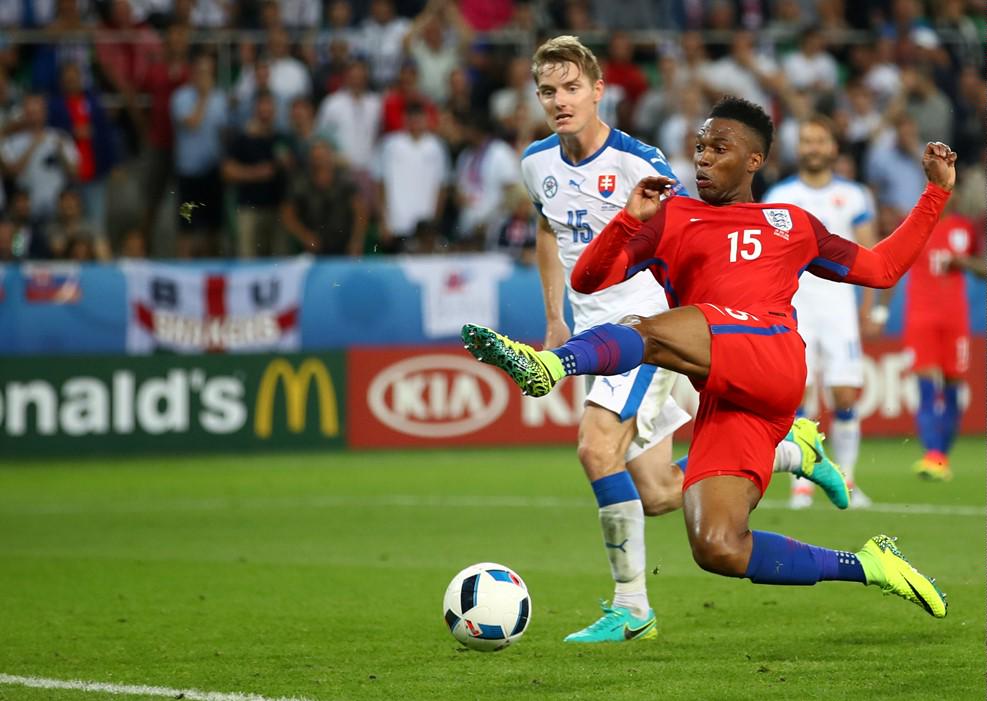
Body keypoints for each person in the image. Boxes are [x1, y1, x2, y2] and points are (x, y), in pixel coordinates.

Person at [463, 95, 954, 620]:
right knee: (717, 545)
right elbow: (587, 281)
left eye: (719, 148)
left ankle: (552, 365)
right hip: (729, 394)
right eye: (699, 147)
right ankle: (871, 564)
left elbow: (881, 269)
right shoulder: (670, 216)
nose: (702, 158)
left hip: (772, 353)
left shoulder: (791, 222)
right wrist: (627, 221)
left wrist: (936, 193)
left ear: (754, 161)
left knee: (646, 330)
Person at [513, 37, 847, 643]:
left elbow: (695, 233)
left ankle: (631, 608)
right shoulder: (536, 162)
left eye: (571, 88)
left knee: (596, 449)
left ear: (597, 91)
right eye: (547, 91)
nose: (559, 101)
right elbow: (547, 229)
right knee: (660, 492)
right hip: (590, 330)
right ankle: (791, 452)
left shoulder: (640, 162)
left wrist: (703, 320)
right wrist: (555, 316)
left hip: (644, 328)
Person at [762, 115, 877, 509]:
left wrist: (870, 308)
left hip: (840, 308)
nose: (812, 147)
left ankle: (847, 479)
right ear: (798, 148)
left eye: (819, 140)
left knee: (845, 395)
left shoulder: (855, 195)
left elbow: (869, 255)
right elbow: (768, 258)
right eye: (806, 140)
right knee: (799, 395)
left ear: (833, 147)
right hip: (794, 308)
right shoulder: (780, 196)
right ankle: (802, 483)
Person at [905, 204, 984, 481]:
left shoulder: (965, 227)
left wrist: (965, 263)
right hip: (921, 317)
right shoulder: (914, 224)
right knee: (926, 387)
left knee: (952, 389)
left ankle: (941, 456)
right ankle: (933, 454)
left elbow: (982, 267)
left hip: (956, 319)